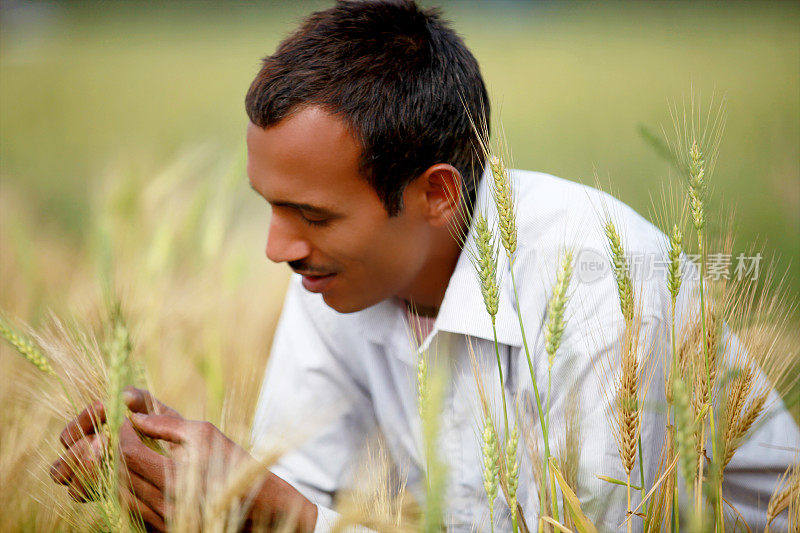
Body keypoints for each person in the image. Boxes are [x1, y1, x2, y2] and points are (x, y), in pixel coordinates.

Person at [50, 1, 799, 531]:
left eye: (312, 215)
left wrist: (276, 511)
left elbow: (299, 513)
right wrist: (173, 489)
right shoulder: (336, 277)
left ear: (436, 193)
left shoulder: (608, 291)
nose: (276, 248)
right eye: (269, 207)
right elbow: (301, 490)